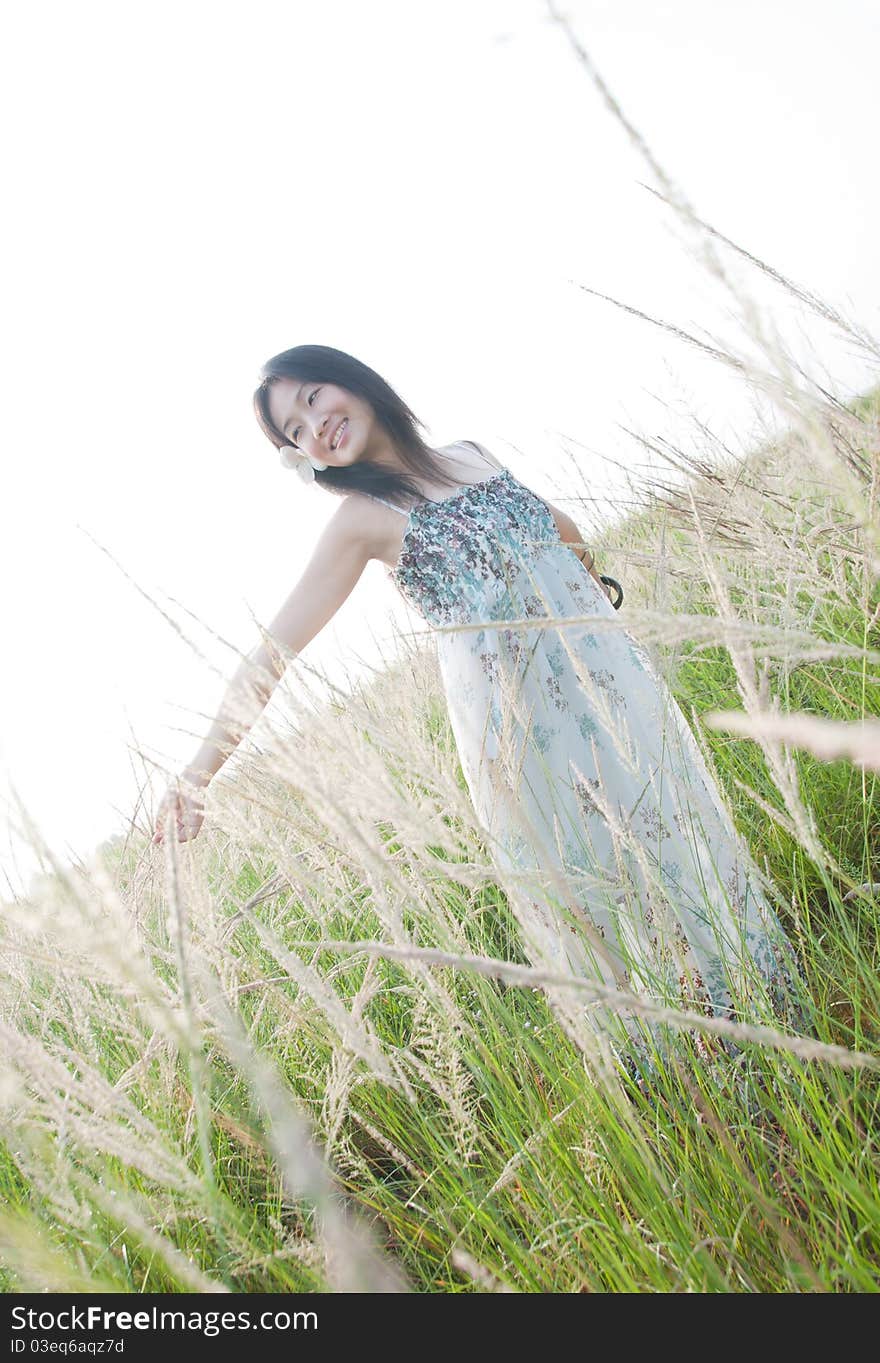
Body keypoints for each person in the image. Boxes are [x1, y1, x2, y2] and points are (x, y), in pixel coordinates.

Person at [152, 344, 804, 1064]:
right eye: (295, 434)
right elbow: (271, 655)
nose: (314, 427)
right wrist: (197, 773)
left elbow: (564, 532)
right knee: (603, 904)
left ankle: (771, 1034)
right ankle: (688, 1084)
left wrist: (586, 609)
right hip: (528, 743)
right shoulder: (362, 521)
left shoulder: (473, 454)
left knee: (679, 846)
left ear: (353, 379)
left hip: (614, 695)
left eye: (312, 398)